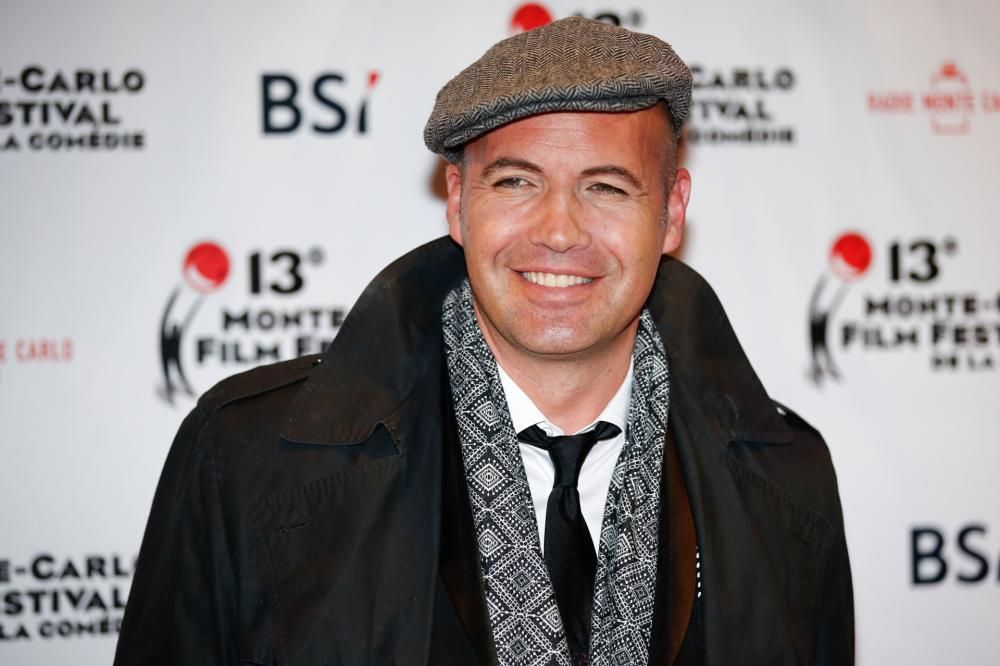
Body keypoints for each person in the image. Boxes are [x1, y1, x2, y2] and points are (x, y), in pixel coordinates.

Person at [115, 17, 853, 666]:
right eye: (515, 183)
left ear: (671, 211)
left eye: (606, 187)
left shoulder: (789, 477)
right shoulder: (247, 458)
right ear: (458, 202)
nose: (559, 232)